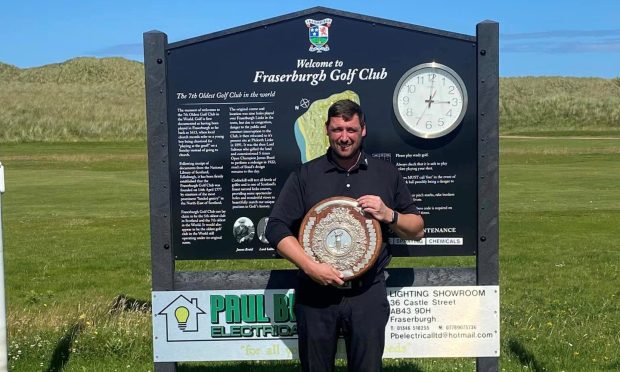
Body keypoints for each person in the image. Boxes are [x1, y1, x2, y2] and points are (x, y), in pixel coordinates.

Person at [265, 99, 424, 372]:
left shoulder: (386, 173)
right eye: (337, 129)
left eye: (350, 129)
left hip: (367, 294)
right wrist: (311, 267)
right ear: (326, 129)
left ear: (363, 130)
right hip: (316, 295)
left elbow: (418, 229)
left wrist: (389, 214)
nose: (344, 137)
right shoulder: (306, 175)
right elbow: (275, 227)